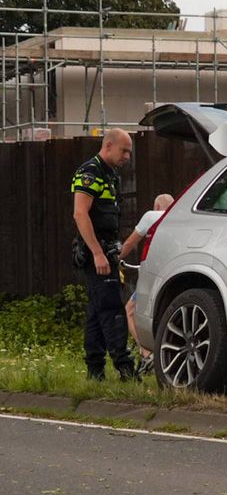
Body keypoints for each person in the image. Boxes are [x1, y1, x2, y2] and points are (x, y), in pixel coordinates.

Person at [71, 129, 137, 381]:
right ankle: (125, 368)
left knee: (97, 312)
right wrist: (97, 252)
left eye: (129, 152)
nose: (128, 156)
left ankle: (95, 371)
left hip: (107, 249)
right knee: (112, 309)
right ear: (108, 146)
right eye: (124, 150)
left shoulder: (111, 175)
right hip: (94, 250)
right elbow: (80, 214)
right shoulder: (90, 172)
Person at [120, 192, 174, 373]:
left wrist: (115, 257)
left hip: (153, 275)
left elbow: (130, 243)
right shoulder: (178, 219)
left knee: (130, 310)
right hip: (173, 276)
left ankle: (147, 354)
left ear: (157, 207)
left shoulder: (151, 216)